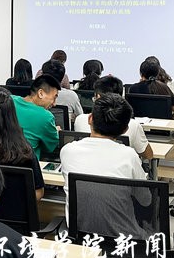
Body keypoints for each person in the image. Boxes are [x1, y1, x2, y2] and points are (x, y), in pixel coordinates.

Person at [61, 93, 147, 228]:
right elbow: (145, 199)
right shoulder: (129, 156)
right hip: (122, 235)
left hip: (78, 233)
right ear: (125, 129)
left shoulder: (67, 151)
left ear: (90, 119)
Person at [74, 75, 153, 159]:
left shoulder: (80, 119)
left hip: (86, 163)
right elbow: (148, 155)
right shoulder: (132, 125)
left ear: (98, 97)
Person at [13, 75, 60, 159]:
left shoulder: (10, 100)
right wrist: (55, 131)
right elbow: (50, 148)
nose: (54, 104)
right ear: (40, 93)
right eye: (54, 98)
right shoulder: (46, 117)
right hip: (27, 164)